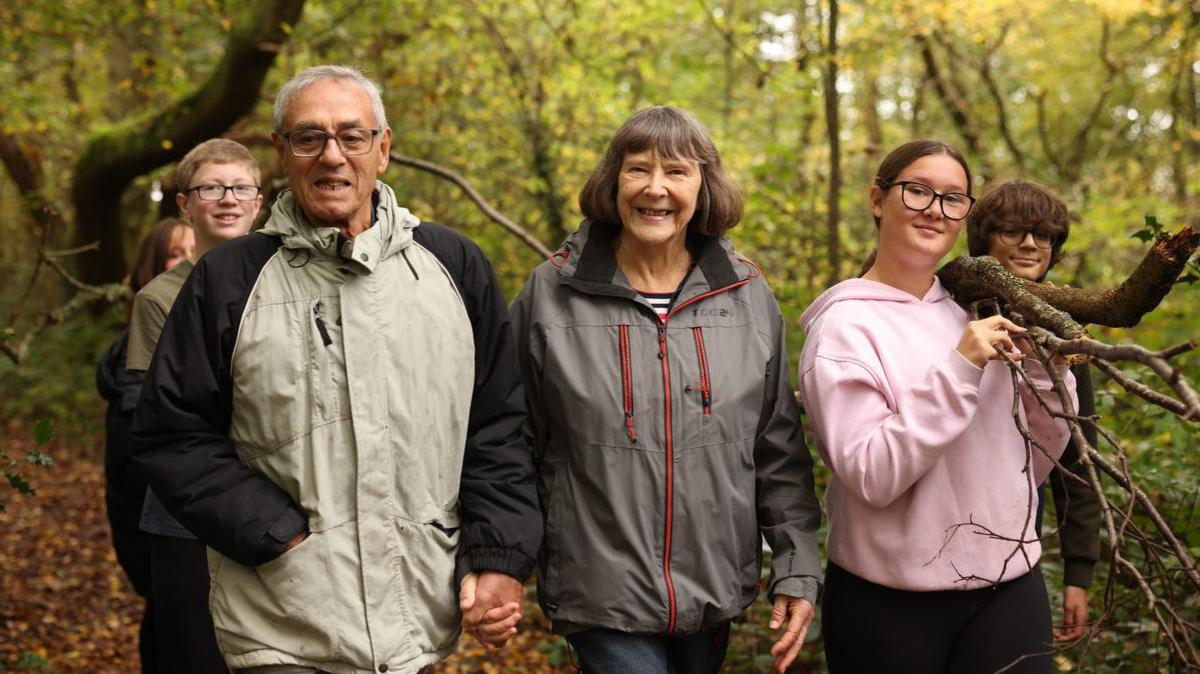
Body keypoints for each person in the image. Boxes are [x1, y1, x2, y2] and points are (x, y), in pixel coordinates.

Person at [131, 64, 541, 674]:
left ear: (384, 149)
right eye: (309, 137)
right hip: (281, 621)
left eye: (352, 136)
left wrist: (499, 557)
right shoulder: (229, 281)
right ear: (281, 152)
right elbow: (172, 432)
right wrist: (276, 534)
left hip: (416, 618)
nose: (332, 156)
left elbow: (498, 428)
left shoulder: (453, 266)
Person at [511, 106, 822, 674]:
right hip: (596, 589)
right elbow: (510, 443)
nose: (656, 189)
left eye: (676, 171)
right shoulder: (550, 294)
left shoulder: (747, 295)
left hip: (713, 588)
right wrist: (502, 565)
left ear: (703, 187)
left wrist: (797, 565)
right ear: (613, 181)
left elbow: (776, 447)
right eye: (638, 170)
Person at [798, 139, 1078, 673]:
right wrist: (961, 367)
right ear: (878, 200)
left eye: (953, 198)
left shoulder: (968, 313)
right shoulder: (844, 327)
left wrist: (1047, 371)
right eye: (918, 191)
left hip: (1009, 586)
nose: (935, 209)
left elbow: (1030, 462)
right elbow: (872, 474)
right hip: (889, 601)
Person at [124, 138, 264, 674]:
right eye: (210, 187)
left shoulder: (290, 280)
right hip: (187, 520)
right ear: (185, 203)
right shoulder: (160, 298)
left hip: (291, 508)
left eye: (240, 188)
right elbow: (160, 422)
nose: (227, 199)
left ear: (258, 200)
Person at [967, 180, 1101, 642]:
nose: (1029, 244)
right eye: (1012, 231)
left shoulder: (1061, 331)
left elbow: (1077, 457)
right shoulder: (946, 306)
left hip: (1015, 544)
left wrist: (1077, 574)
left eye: (1042, 235)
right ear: (983, 236)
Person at [96, 216, 194, 673]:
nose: (189, 264)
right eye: (176, 254)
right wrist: (147, 570)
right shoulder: (131, 366)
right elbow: (125, 474)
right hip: (169, 556)